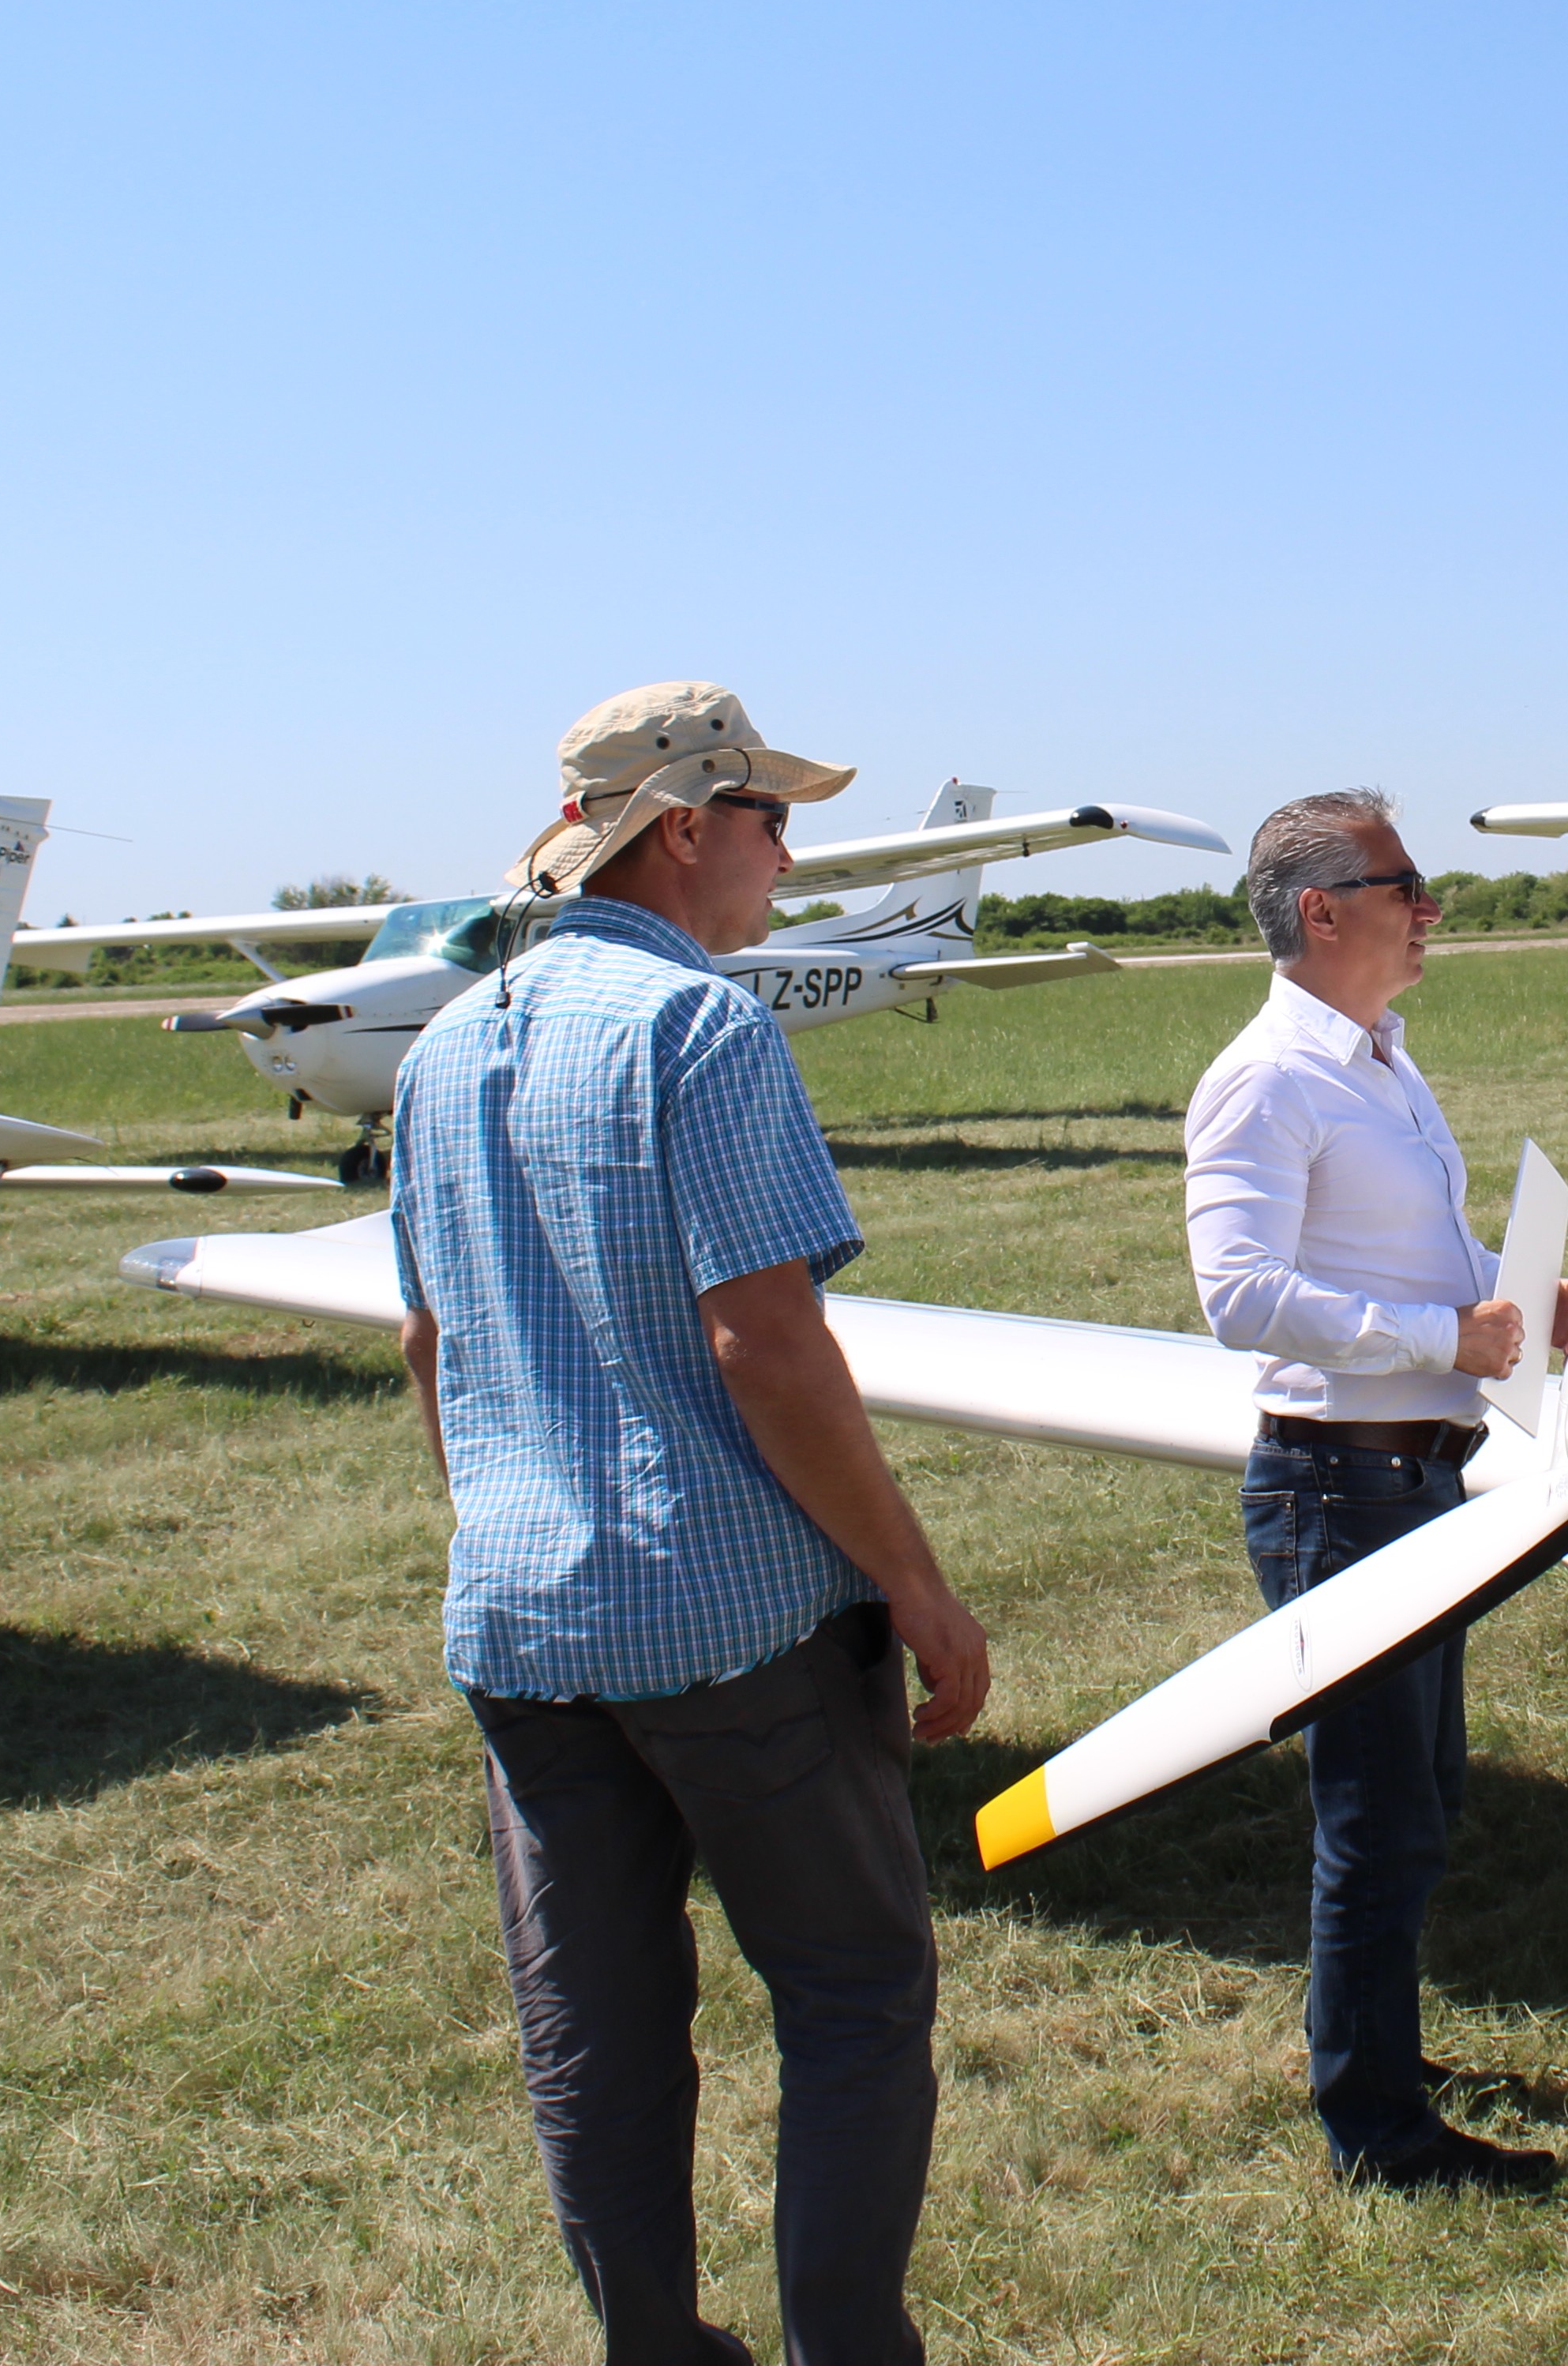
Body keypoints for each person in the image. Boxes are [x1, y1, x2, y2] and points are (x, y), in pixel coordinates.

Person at [392, 680, 992, 2366]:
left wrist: (507, 1526)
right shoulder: (702, 1030)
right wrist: (916, 1586)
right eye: (773, 822)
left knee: (593, 2027)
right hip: (731, 1628)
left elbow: (434, 1343)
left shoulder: (445, 1053)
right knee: (858, 2001)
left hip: (520, 1626)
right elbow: (770, 1346)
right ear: (684, 831)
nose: (788, 860)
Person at [1182, 787, 1568, 2193]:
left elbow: (1416, 1250)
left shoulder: (1383, 1060)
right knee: (1377, 1816)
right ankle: (1379, 2131)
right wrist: (1446, 1341)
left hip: (1416, 1478)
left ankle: (1379, 2049)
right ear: (1320, 912)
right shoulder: (1268, 1078)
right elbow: (1239, 1296)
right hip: (1336, 1489)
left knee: (1421, 1794)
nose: (1430, 910)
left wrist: (1524, 1296)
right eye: (1404, 885)